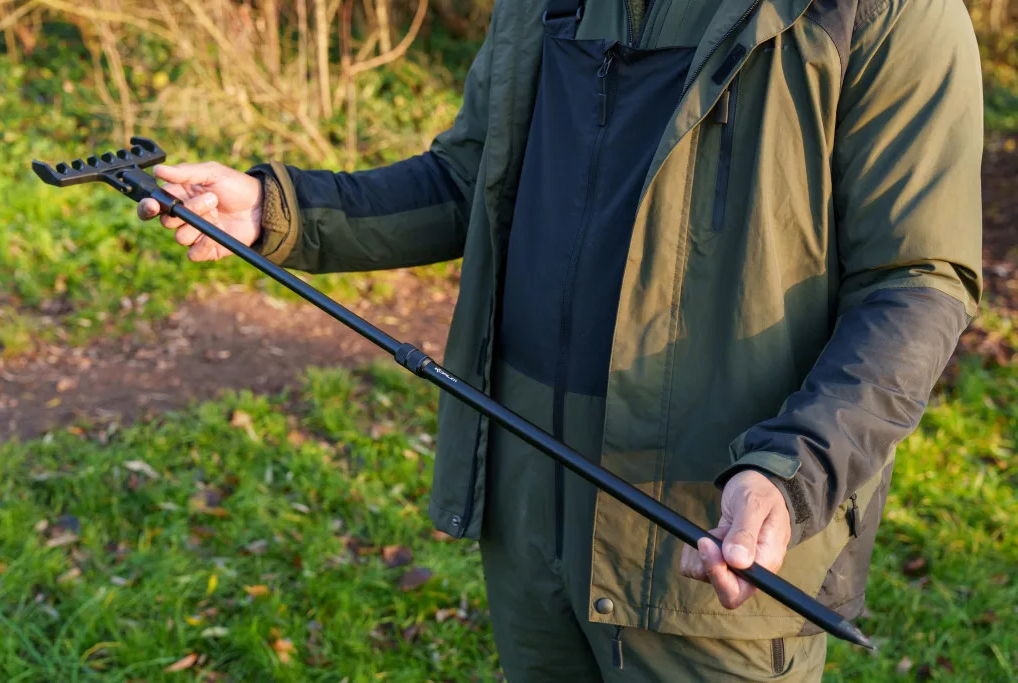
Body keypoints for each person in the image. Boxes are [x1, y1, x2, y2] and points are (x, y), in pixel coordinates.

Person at [138, 0, 983, 679]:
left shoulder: (883, 12)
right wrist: (275, 209)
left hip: (713, 520)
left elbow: (918, 281)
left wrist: (794, 467)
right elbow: (474, 175)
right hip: (528, 493)